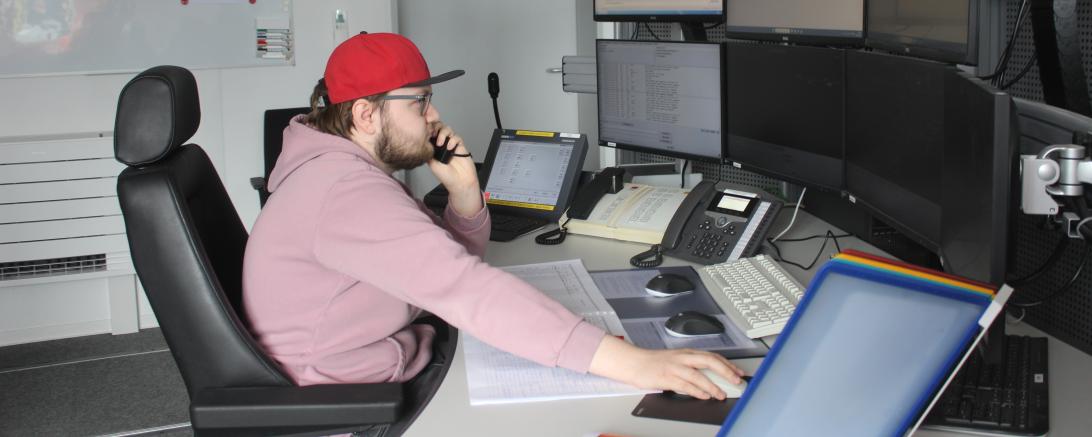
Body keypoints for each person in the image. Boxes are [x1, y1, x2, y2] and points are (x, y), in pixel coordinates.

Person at [243, 32, 743, 400]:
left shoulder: (337, 171)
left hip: (374, 361)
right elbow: (464, 288)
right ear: (366, 115)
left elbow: (441, 267)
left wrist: (464, 193)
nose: (434, 116)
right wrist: (633, 364)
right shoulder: (344, 192)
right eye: (420, 103)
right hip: (344, 397)